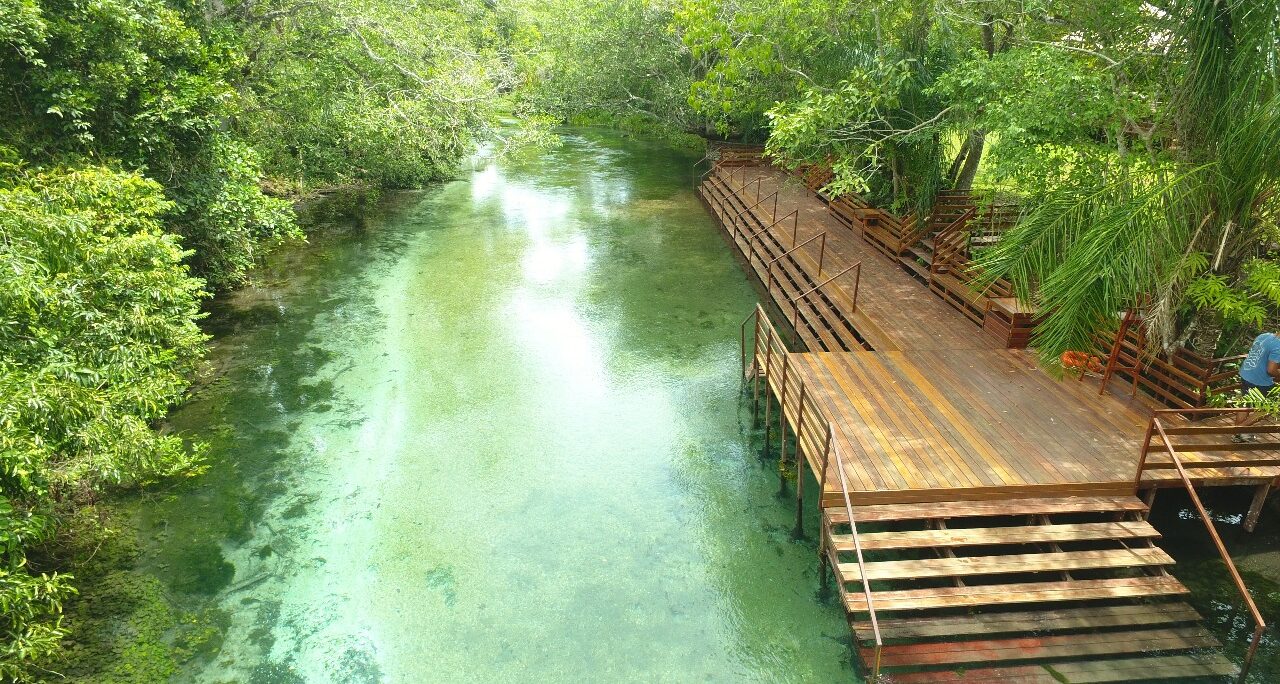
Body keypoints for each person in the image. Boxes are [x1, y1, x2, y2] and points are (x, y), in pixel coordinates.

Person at [1235, 331, 1280, 441]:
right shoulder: (1278, 346)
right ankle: (1238, 430)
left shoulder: (1264, 336)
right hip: (1260, 381)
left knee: (1245, 405)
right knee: (1268, 408)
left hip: (1247, 373)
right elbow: (1271, 370)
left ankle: (1239, 434)